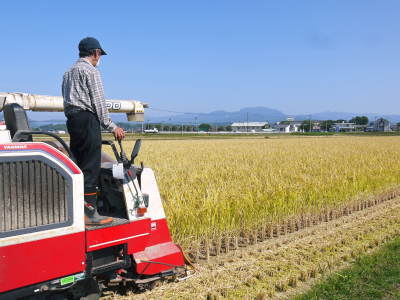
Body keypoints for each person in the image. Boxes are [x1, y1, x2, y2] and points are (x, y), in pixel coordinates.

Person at [62, 37, 125, 226]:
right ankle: (90, 213)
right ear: (96, 53)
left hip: (72, 121)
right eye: (100, 55)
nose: (100, 58)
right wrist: (112, 127)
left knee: (78, 166)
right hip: (88, 119)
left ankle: (77, 208)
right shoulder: (91, 71)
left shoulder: (68, 72)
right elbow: (98, 101)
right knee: (90, 167)